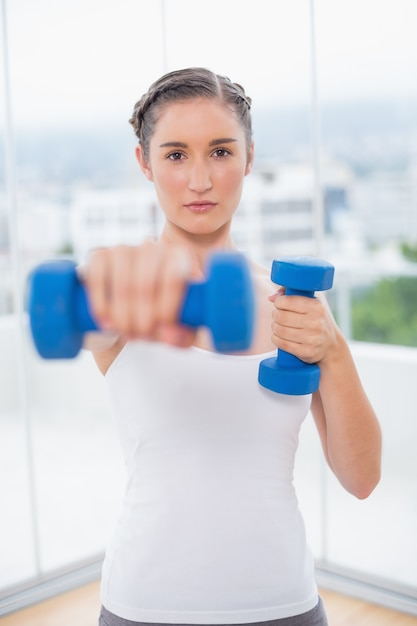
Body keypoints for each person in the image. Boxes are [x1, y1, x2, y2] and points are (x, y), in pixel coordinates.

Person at [83, 67, 382, 626]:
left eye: (220, 151)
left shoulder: (294, 307)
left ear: (249, 156)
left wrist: (334, 352)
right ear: (144, 163)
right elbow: (85, 318)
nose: (201, 180)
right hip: (145, 607)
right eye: (175, 155)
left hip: (285, 604)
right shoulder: (120, 287)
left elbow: (361, 479)